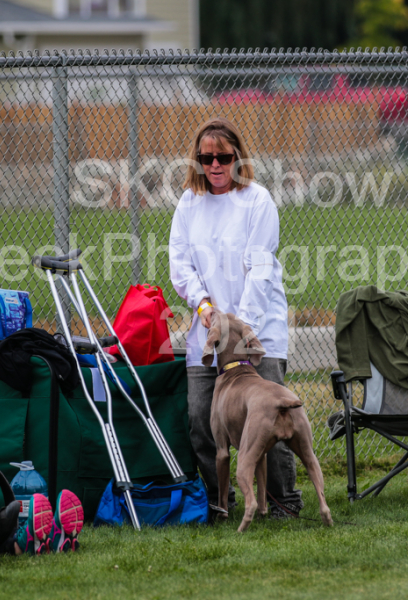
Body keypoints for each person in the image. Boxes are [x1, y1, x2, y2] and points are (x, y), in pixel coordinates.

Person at [168, 116, 303, 519]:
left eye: (223, 157)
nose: (214, 165)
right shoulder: (188, 203)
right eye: (206, 158)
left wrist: (240, 327)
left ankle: (282, 502)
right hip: (207, 336)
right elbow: (180, 264)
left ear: (238, 158)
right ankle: (221, 501)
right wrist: (204, 306)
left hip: (256, 333)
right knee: (202, 419)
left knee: (270, 420)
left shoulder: (257, 200)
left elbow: (260, 270)